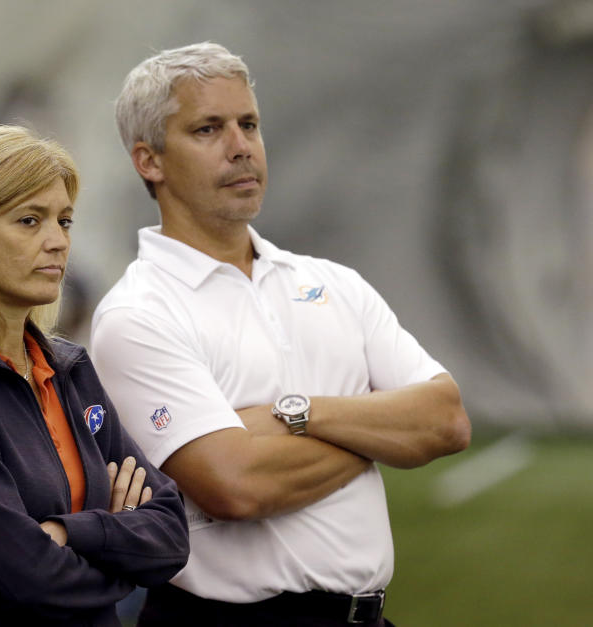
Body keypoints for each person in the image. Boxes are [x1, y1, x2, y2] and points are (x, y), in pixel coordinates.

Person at [90, 43, 472, 627]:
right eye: (208, 129)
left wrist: (297, 413)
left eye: (249, 124)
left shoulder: (332, 282)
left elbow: (446, 420)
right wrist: (376, 431)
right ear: (150, 161)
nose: (240, 146)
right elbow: (237, 485)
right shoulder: (137, 315)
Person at [0, 125, 189, 627]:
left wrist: (65, 533)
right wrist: (118, 550)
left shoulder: (68, 368)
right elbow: (27, 573)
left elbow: (172, 535)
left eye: (64, 221)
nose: (58, 242)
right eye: (29, 220)